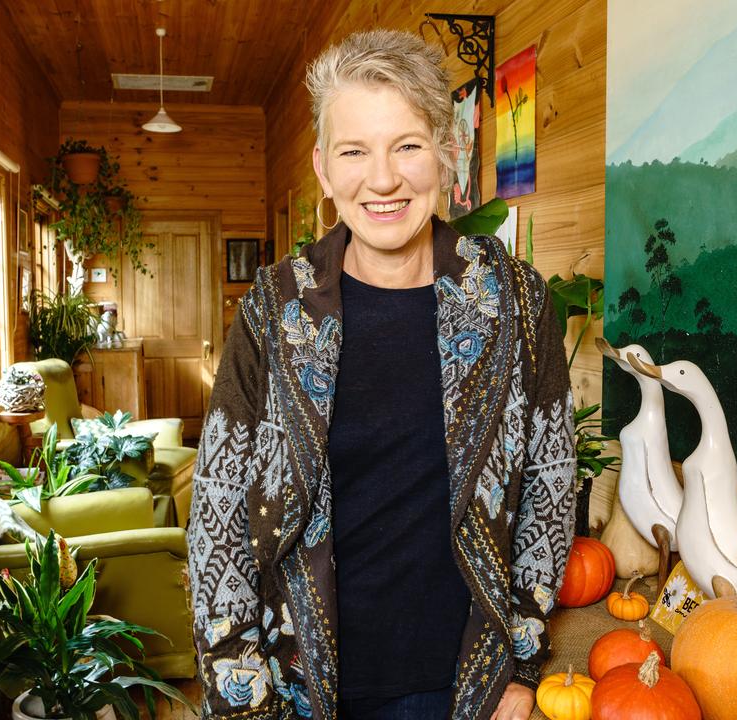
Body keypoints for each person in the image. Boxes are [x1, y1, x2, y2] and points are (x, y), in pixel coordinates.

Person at [187, 29, 575, 720]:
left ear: (447, 152)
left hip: (463, 683)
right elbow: (218, 510)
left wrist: (518, 663)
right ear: (324, 168)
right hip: (302, 682)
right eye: (354, 150)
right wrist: (240, 691)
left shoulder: (515, 301)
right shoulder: (275, 311)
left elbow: (550, 481)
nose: (384, 178)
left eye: (407, 145)